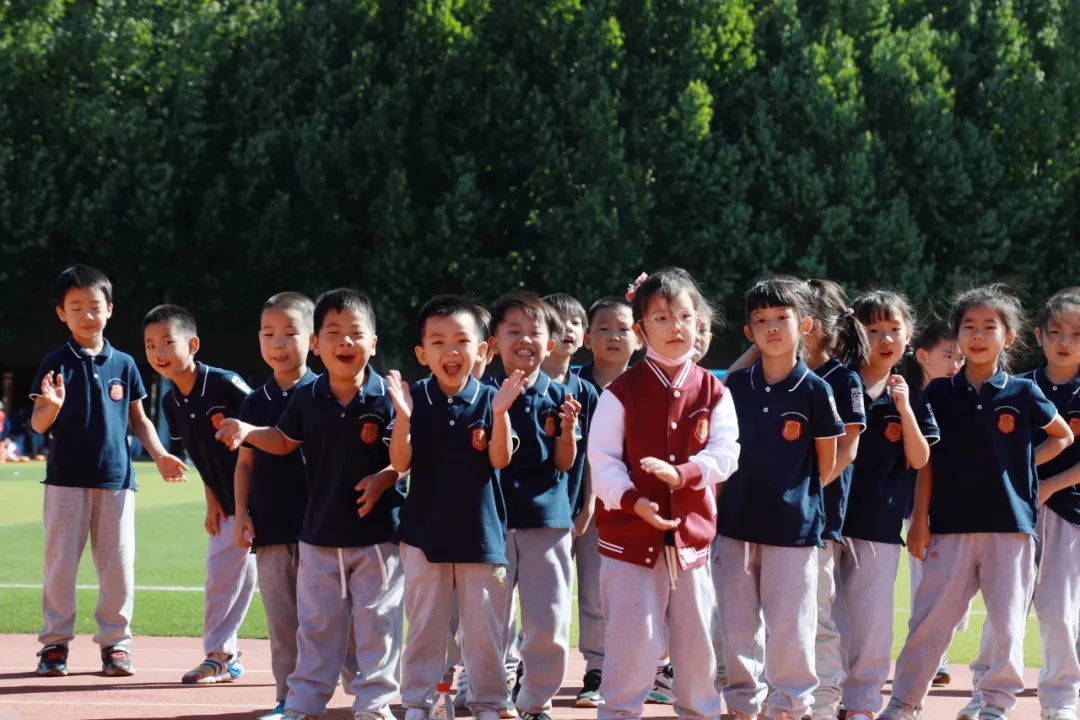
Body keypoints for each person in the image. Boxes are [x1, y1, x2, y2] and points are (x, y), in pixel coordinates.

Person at [881, 284, 1074, 720]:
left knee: (1006, 625)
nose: (978, 335)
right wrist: (920, 520)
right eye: (969, 326)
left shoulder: (1022, 392)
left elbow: (1062, 436)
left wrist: (1022, 464)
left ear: (1009, 337)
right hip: (948, 527)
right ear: (958, 335)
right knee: (930, 621)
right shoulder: (939, 393)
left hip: (1011, 528)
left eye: (990, 326)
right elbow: (927, 464)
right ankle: (904, 701)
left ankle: (994, 704)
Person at [216, 288, 406, 720]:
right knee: (316, 628)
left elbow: (405, 459)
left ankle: (374, 705)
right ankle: (303, 704)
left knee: (377, 626)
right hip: (318, 535)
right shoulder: (308, 396)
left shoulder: (386, 396)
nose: (345, 341)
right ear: (317, 344)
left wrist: (385, 476)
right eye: (333, 333)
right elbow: (283, 441)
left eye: (356, 332)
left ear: (374, 341)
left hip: (377, 538)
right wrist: (248, 432)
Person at [588, 267, 740, 720]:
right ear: (640, 331)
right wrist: (633, 501)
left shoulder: (714, 391)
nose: (675, 327)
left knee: (697, 649)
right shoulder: (620, 393)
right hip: (629, 544)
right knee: (631, 645)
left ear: (700, 323)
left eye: (685, 316)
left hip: (691, 543)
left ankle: (700, 712)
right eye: (661, 318)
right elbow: (602, 462)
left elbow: (727, 452)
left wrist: (684, 474)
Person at [32, 265, 188, 677]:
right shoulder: (54, 363)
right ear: (61, 314)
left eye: (94, 306)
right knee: (60, 566)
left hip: (117, 481)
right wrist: (51, 407)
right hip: (64, 481)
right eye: (76, 307)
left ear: (110, 309)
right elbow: (38, 424)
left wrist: (160, 454)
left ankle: (116, 644)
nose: (87, 315)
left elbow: (139, 419)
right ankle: (54, 645)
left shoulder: (125, 363)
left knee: (118, 568)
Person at [386, 295, 523, 720]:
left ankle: (489, 702)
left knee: (484, 631)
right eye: (438, 341)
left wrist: (501, 413)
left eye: (462, 341)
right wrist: (403, 418)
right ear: (421, 353)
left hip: (481, 535)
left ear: (481, 350)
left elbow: (500, 458)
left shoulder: (492, 398)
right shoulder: (414, 399)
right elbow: (400, 463)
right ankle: (417, 701)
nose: (451, 351)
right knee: (424, 626)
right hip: (423, 535)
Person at [715, 275, 845, 720]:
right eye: (761, 320)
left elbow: (826, 462)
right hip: (734, 523)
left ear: (805, 324)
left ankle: (790, 703)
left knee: (791, 623)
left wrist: (795, 499)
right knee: (737, 624)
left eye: (782, 318)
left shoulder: (817, 390)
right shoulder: (736, 386)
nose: (772, 328)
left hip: (793, 529)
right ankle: (742, 702)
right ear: (748, 331)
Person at [833, 290, 937, 720]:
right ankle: (820, 697)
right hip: (826, 521)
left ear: (909, 336)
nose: (885, 338)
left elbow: (919, 458)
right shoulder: (835, 383)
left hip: (879, 524)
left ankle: (860, 703)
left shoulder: (910, 395)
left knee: (872, 622)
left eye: (894, 328)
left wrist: (904, 407)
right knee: (822, 617)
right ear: (855, 334)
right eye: (873, 330)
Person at [143, 304, 257, 684]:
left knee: (297, 589)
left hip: (268, 501)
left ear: (192, 345)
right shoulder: (171, 402)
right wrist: (212, 501)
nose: (158, 352)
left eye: (167, 342)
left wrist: (248, 505)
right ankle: (221, 656)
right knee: (222, 580)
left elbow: (264, 430)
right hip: (227, 506)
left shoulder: (225, 384)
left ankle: (331, 660)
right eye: (150, 345)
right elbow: (201, 453)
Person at [489, 291, 581, 720]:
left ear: (551, 343)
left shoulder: (561, 397)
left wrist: (567, 432)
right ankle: (488, 695)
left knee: (548, 620)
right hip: (492, 524)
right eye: (514, 331)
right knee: (488, 620)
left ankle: (535, 701)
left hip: (547, 522)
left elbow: (565, 463)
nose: (525, 340)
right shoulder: (483, 395)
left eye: (535, 332)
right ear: (494, 342)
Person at [232, 292, 318, 720]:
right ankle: (288, 698)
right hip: (270, 529)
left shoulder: (323, 393)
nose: (278, 343)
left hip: (321, 530)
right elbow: (245, 463)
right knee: (283, 624)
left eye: (289, 333)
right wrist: (241, 513)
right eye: (269, 334)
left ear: (313, 340)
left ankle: (366, 695)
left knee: (332, 621)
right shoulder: (253, 401)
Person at [802, 279, 869, 720]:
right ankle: (780, 696)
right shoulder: (775, 372)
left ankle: (825, 700)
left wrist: (806, 494)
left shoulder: (843, 379)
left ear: (818, 324)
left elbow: (848, 450)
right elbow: (732, 377)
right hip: (769, 518)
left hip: (818, 517)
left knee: (817, 616)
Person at [570, 295, 639, 707]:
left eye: (623, 329)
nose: (614, 336)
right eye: (604, 328)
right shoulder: (570, 383)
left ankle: (603, 668)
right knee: (552, 595)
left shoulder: (646, 385)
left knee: (604, 591)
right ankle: (526, 668)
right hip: (565, 505)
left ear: (640, 337)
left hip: (620, 507)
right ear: (587, 337)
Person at [1027, 288, 1080, 720]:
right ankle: (990, 694)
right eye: (1056, 331)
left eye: (1077, 334)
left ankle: (1060, 700)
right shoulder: (1018, 386)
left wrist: (1050, 486)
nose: (1065, 342)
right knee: (1003, 611)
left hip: (1069, 512)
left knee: (1058, 610)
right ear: (1038, 335)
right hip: (1014, 513)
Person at [902, 318, 962, 688]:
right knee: (923, 582)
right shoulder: (908, 397)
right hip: (915, 505)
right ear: (923, 356)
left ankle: (939, 654)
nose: (956, 363)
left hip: (958, 505)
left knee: (956, 588)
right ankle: (930, 660)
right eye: (948, 356)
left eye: (960, 357)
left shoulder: (963, 396)